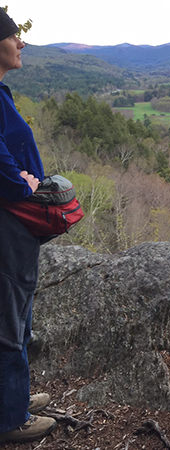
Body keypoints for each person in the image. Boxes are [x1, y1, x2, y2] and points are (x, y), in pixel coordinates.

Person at [0, 8, 56, 443]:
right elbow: (4, 173)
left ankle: (14, 397)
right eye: (15, 36)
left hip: (16, 229)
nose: (22, 43)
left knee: (18, 313)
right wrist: (25, 182)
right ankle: (10, 418)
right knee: (8, 318)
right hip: (7, 227)